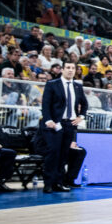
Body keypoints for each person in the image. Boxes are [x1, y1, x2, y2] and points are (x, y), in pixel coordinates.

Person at [40, 62, 87, 193]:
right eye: (68, 68)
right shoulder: (52, 84)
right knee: (53, 153)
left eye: (73, 68)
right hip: (55, 124)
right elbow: (46, 104)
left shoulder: (78, 86)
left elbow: (84, 104)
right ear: (62, 69)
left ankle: (59, 183)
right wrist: (48, 119)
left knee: (64, 155)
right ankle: (48, 183)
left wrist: (81, 117)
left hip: (69, 124)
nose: (70, 70)